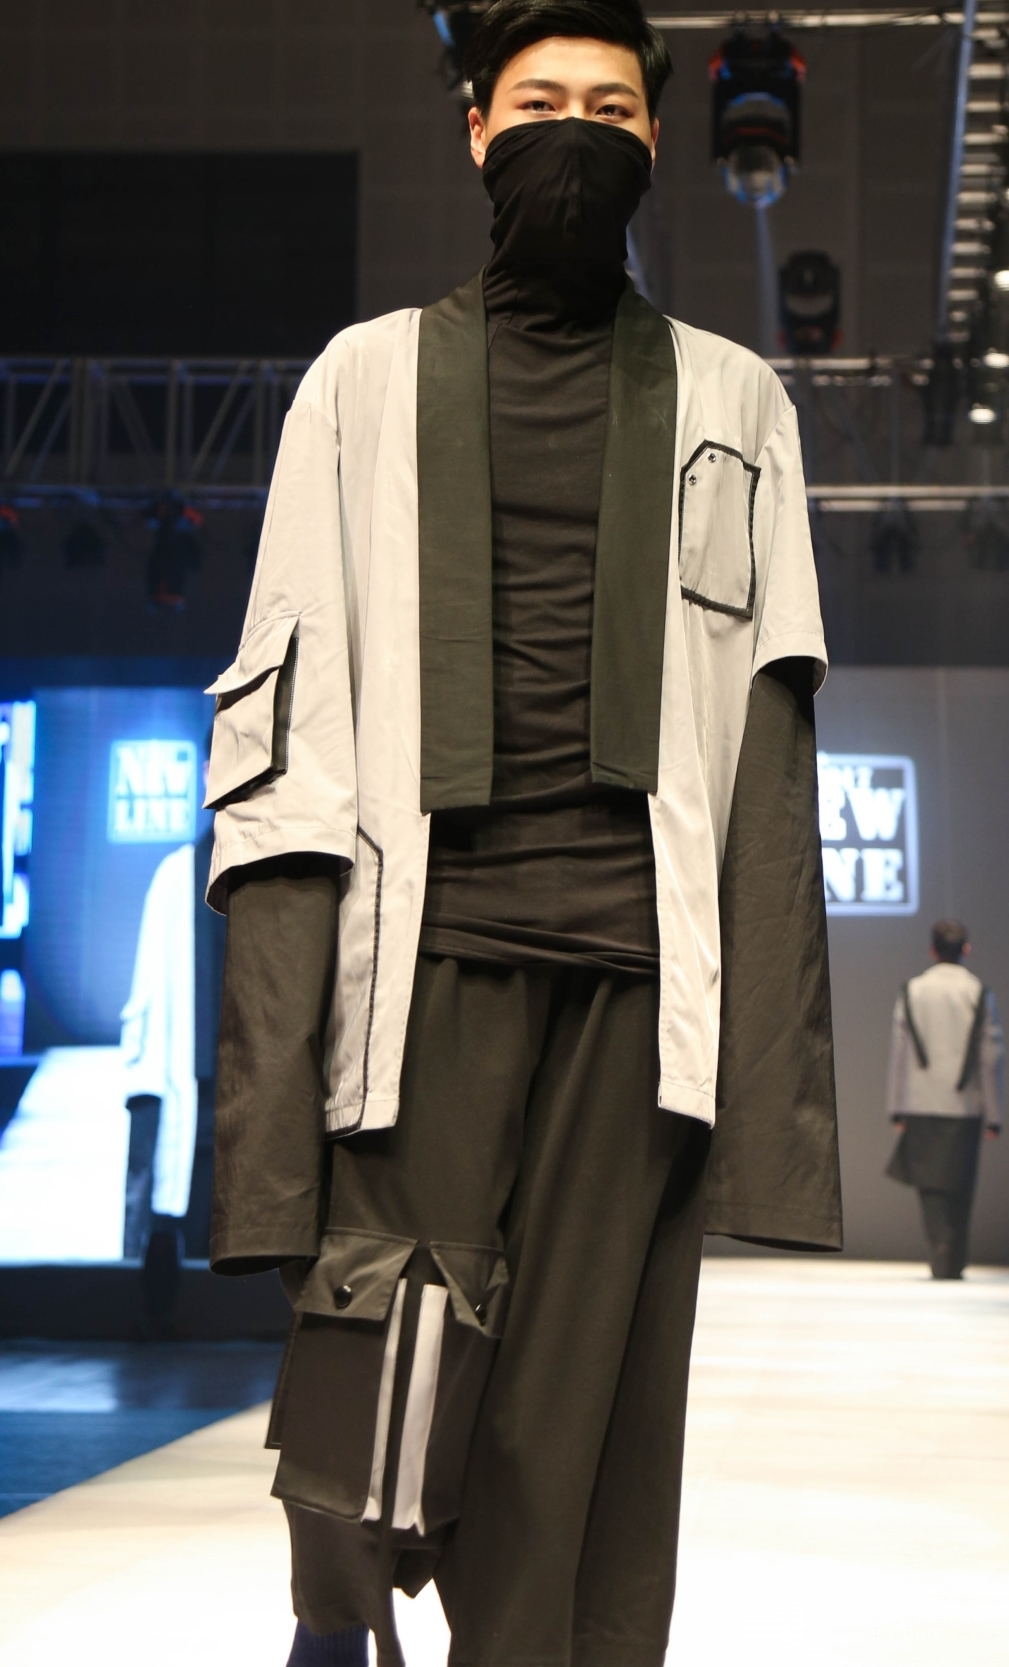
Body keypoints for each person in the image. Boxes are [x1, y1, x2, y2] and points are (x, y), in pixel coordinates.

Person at [203, 4, 841, 1664]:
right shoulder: (360, 383)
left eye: (610, 108)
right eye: (540, 100)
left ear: (654, 142)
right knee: (370, 1407)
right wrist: (264, 1112)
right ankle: (335, 1625)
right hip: (412, 977)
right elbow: (282, 731)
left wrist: (771, 1108)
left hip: (636, 996)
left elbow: (767, 760)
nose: (576, 129)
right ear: (477, 129)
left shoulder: (734, 398)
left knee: (570, 1442)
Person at [121, 744, 225, 1332]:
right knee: (173, 1217)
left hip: (256, 1092)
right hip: (186, 1085)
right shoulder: (177, 873)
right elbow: (149, 989)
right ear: (206, 773)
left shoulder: (277, 875)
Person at [885, 918, 1004, 1280]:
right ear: (966, 949)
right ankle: (954, 1262)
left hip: (920, 1102)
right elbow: (990, 1057)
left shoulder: (913, 990)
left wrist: (896, 1108)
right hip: (964, 1105)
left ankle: (941, 1258)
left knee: (930, 1188)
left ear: (932, 950)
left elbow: (900, 1053)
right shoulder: (978, 992)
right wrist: (994, 1114)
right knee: (961, 1187)